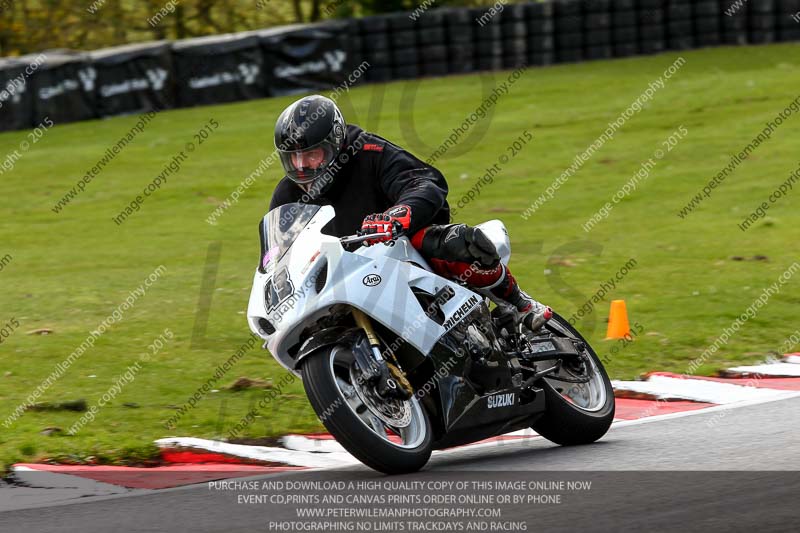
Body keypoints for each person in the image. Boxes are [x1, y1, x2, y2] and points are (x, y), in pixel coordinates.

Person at [268, 94, 551, 332]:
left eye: (311, 154)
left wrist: (397, 215)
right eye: (292, 157)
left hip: (400, 250)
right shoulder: (287, 194)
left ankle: (520, 303)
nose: (301, 165)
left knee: (457, 243)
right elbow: (279, 254)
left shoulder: (370, 153)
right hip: (341, 276)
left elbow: (425, 181)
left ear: (336, 142)